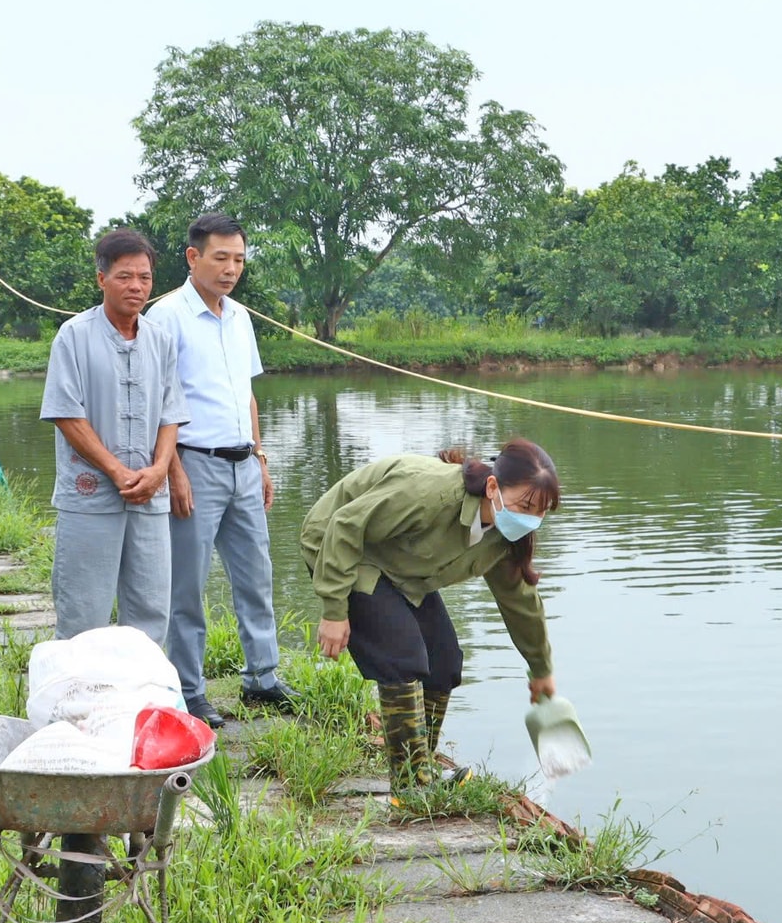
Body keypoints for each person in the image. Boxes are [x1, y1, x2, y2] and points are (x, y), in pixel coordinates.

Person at [299, 440, 563, 795]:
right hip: (339, 546)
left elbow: (520, 601)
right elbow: (345, 525)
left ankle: (421, 768)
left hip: (398, 567)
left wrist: (541, 669)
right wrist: (334, 610)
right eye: (525, 506)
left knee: (445, 661)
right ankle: (410, 789)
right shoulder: (432, 496)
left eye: (540, 512)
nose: (530, 519)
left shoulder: (502, 537)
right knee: (403, 657)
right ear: (492, 487)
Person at [154, 213, 294, 729]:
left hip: (242, 464)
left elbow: (246, 394)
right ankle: (189, 692)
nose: (231, 269)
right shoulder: (166, 317)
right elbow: (158, 402)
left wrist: (260, 456)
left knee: (257, 576)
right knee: (186, 587)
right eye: (221, 258)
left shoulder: (239, 317)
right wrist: (172, 471)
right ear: (193, 257)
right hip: (194, 463)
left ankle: (263, 677)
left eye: (238, 259)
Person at [40, 228, 188, 643]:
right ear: (101, 279)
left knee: (150, 610)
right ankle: (76, 704)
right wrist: (116, 470)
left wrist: (161, 469)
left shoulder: (160, 340)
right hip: (91, 497)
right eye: (125, 276)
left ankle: (142, 703)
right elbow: (67, 415)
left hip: (149, 496)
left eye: (144, 277)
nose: (136, 286)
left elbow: (170, 413)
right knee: (83, 612)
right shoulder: (74, 335)